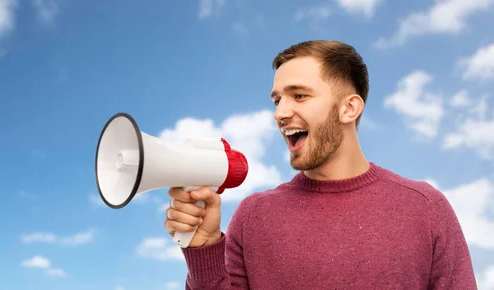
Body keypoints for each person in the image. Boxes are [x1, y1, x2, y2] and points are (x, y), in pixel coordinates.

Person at [163, 40, 478, 290]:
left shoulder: (425, 208)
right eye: (277, 100)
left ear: (349, 108)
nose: (280, 113)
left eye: (299, 96)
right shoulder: (253, 215)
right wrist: (203, 247)